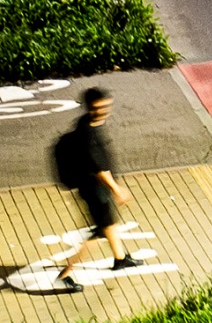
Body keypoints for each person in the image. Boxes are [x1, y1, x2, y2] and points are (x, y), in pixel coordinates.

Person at [47, 88, 142, 291]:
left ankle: (120, 259)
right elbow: (100, 170)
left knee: (108, 225)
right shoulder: (88, 136)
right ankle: (64, 275)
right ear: (90, 108)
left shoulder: (85, 123)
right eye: (99, 107)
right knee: (97, 233)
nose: (104, 111)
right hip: (96, 192)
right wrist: (117, 190)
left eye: (105, 105)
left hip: (93, 190)